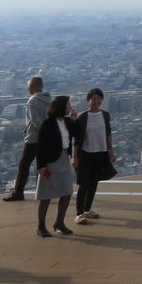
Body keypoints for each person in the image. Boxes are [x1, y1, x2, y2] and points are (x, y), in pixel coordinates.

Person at [34, 95, 78, 237]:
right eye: (68, 105)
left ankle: (59, 222)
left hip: (64, 159)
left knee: (67, 191)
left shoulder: (66, 121)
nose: (69, 107)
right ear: (61, 106)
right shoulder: (48, 124)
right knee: (46, 195)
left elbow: (78, 133)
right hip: (51, 162)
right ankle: (41, 226)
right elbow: (40, 146)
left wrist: (75, 119)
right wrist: (41, 166)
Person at [3, 76, 51, 202]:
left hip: (33, 138)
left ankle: (18, 192)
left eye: (29, 86)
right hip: (46, 139)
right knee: (42, 165)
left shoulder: (32, 101)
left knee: (24, 165)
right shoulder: (49, 99)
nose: (28, 89)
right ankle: (42, 192)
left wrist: (41, 131)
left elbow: (35, 121)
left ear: (36, 86)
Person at [73, 88, 115, 225]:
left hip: (101, 153)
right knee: (84, 184)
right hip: (86, 154)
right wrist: (75, 156)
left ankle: (87, 209)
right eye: (93, 99)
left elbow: (108, 134)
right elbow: (77, 139)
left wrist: (111, 152)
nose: (96, 101)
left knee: (94, 183)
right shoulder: (83, 116)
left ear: (102, 100)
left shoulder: (105, 115)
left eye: (98, 98)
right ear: (88, 101)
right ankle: (79, 213)